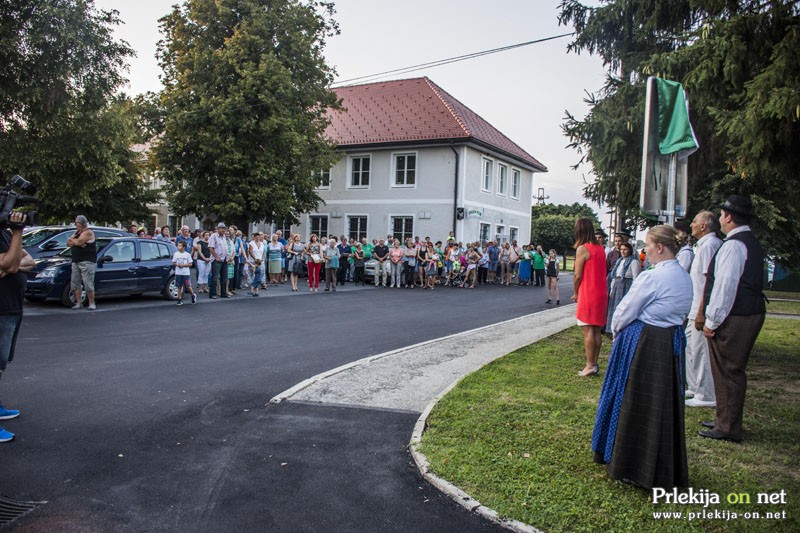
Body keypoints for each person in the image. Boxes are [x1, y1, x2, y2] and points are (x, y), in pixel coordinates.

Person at [591, 224, 693, 489]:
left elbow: (626, 310)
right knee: (660, 406)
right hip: (670, 340)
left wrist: (616, 330)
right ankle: (657, 465)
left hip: (645, 341)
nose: (645, 250)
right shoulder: (683, 276)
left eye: (647, 245)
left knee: (633, 401)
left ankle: (629, 463)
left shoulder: (653, 277)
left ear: (659, 247)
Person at [698, 195, 766, 443]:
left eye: (722, 215)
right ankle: (723, 419)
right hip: (745, 312)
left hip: (737, 315)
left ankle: (727, 426)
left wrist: (711, 321)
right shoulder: (747, 241)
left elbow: (726, 287)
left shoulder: (734, 245)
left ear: (728, 217)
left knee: (728, 370)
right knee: (726, 370)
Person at [0, 212, 35, 443]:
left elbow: (28, 261)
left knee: (1, 364)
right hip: (1, 309)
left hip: (11, 309)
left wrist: (12, 264)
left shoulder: (4, 234)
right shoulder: (11, 233)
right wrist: (18, 232)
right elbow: (7, 265)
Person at [684, 210, 723, 408]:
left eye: (694, 221)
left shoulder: (710, 246)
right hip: (694, 307)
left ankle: (706, 394)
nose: (691, 224)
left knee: (701, 352)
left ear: (703, 226)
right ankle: (695, 385)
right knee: (690, 347)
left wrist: (701, 312)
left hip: (701, 308)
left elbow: (709, 281)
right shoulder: (703, 245)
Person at [572, 218, 608, 376]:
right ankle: (595, 362)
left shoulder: (582, 249)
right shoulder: (600, 247)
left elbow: (577, 275)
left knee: (587, 331)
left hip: (588, 291)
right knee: (596, 330)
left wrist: (575, 292)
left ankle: (590, 364)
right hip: (601, 292)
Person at [605, 242, 642, 329]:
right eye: (621, 250)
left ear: (629, 250)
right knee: (614, 307)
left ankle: (622, 328)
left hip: (626, 285)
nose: (623, 252)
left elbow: (636, 278)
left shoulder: (634, 262)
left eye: (625, 249)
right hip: (617, 285)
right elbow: (615, 276)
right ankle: (612, 328)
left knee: (623, 308)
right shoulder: (619, 261)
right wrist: (612, 287)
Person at [67, 215, 97, 310]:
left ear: (81, 223)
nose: (76, 224)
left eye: (77, 222)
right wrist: (77, 242)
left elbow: (79, 242)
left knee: (88, 283)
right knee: (75, 283)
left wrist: (77, 242)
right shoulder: (76, 232)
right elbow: (68, 242)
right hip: (76, 260)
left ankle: (91, 303)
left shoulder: (88, 232)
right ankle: (78, 302)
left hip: (87, 261)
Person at [207, 222, 230, 299]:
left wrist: (227, 257)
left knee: (224, 278)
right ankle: (212, 293)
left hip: (224, 259)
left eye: (224, 228)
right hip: (216, 260)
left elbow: (225, 248)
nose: (223, 230)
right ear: (218, 229)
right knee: (215, 277)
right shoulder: (213, 236)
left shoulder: (224, 237)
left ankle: (223, 293)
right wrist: (216, 257)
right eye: (222, 228)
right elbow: (210, 247)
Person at [172, 240, 197, 306]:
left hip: (186, 273)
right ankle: (179, 299)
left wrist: (183, 265)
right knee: (179, 286)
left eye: (180, 246)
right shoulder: (176, 254)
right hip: (178, 273)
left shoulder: (187, 254)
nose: (178, 247)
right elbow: (174, 262)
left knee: (188, 285)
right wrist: (177, 264)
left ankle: (193, 295)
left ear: (184, 247)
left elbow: (190, 264)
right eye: (178, 245)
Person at [247, 232, 266, 296]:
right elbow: (250, 251)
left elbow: (263, 252)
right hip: (253, 261)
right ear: (254, 237)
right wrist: (255, 259)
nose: (258, 238)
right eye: (256, 237)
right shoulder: (251, 243)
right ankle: (252, 288)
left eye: (259, 237)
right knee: (252, 274)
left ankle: (258, 287)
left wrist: (262, 258)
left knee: (260, 274)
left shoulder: (262, 243)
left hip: (260, 261)